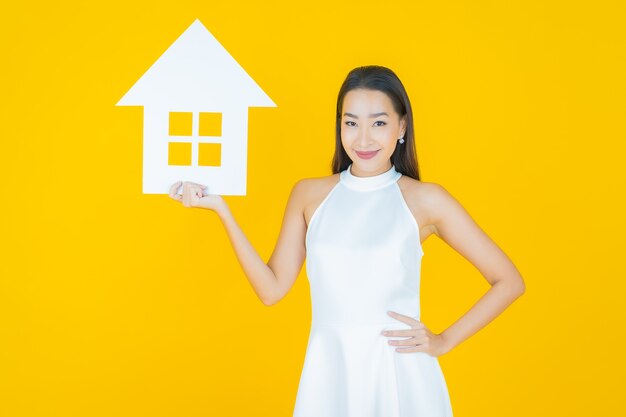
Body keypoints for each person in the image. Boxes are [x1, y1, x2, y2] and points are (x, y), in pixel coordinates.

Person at [169, 65, 526, 417]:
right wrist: (221, 209)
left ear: (402, 126)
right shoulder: (309, 195)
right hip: (329, 375)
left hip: (399, 377)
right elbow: (271, 290)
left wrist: (444, 340)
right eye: (351, 123)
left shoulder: (424, 199)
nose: (364, 139)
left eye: (379, 123)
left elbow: (509, 281)